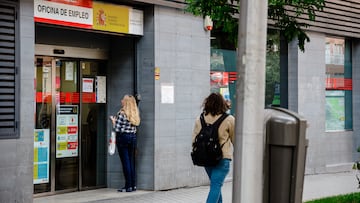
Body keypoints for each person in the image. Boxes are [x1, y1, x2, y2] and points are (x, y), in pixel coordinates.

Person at [192, 93, 235, 203]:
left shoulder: (200, 119)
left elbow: (194, 140)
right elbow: (236, 140)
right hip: (222, 158)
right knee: (216, 186)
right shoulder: (229, 119)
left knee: (216, 185)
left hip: (206, 158)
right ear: (222, 104)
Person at [110, 95, 141, 192]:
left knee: (125, 162)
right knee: (131, 162)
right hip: (133, 138)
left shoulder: (122, 114)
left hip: (123, 138)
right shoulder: (134, 113)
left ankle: (128, 186)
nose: (121, 100)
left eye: (123, 99)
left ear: (126, 102)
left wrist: (113, 122)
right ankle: (133, 185)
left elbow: (117, 129)